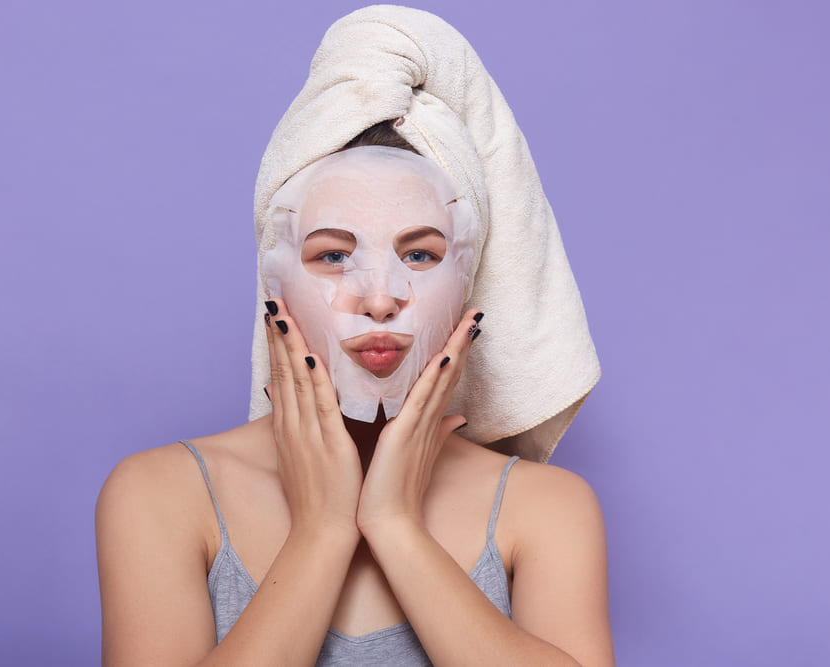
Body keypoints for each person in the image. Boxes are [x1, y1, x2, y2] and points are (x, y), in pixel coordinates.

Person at [96, 6, 614, 666]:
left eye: (420, 255)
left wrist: (395, 524)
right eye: (333, 254)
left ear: (471, 281)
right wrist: (322, 528)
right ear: (274, 280)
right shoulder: (158, 495)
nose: (378, 297)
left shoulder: (546, 509)